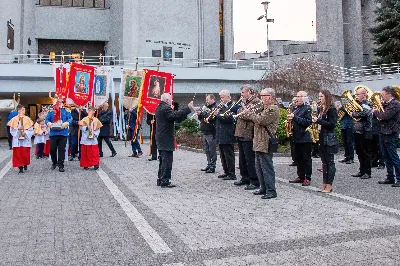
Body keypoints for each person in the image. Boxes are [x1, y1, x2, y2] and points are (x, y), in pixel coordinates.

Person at [237, 88, 280, 199]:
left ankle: (271, 190)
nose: (261, 98)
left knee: (267, 167)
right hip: (258, 141)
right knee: (259, 167)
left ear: (270, 97)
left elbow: (261, 120)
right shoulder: (264, 107)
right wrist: (249, 110)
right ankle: (263, 188)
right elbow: (252, 117)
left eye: (263, 96)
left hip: (265, 141)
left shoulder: (273, 109)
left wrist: (249, 113)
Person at [155, 93, 193, 188]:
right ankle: (165, 180)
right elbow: (174, 115)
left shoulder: (159, 107)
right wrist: (188, 108)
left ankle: (160, 179)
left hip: (161, 137)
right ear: (167, 100)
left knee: (162, 160)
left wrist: (184, 114)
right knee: (167, 160)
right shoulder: (166, 108)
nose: (171, 101)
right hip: (166, 138)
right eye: (170, 100)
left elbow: (174, 118)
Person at [234, 85, 262, 190]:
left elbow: (250, 115)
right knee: (242, 158)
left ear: (250, 92)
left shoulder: (257, 102)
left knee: (250, 159)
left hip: (249, 133)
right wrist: (242, 112)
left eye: (243, 93)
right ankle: (244, 177)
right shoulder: (245, 102)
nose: (241, 95)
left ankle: (254, 180)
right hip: (241, 132)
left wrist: (241, 112)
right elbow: (239, 112)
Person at [372, 86, 400, 187]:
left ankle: (399, 178)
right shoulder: (386, 104)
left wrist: (375, 112)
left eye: (383, 94)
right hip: (383, 132)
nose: (381, 96)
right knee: (386, 156)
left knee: (393, 157)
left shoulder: (395, 104)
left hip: (391, 132)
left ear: (389, 94)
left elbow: (385, 116)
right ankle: (390, 177)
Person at [313, 90, 339, 193]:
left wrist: (318, 120)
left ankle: (329, 184)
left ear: (327, 97)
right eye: (319, 96)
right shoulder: (321, 109)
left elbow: (332, 124)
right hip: (321, 136)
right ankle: (324, 183)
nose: (319, 98)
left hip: (329, 138)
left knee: (330, 162)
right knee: (324, 163)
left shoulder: (332, 109)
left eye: (321, 96)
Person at [288, 91, 313, 186]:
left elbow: (308, 122)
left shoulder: (307, 109)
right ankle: (301, 176)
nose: (297, 98)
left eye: (299, 96)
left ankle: (307, 177)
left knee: (306, 158)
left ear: (304, 98)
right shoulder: (296, 108)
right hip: (296, 136)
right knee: (298, 158)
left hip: (305, 137)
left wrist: (295, 117)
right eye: (296, 96)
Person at [349, 87, 373, 179]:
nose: (357, 96)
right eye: (356, 94)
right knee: (359, 152)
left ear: (364, 94)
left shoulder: (367, 103)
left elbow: (365, 114)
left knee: (366, 152)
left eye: (358, 94)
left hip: (365, 131)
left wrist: (353, 114)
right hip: (356, 130)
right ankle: (361, 170)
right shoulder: (357, 104)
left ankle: (367, 172)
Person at [215, 90, 237, 181]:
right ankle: (226, 171)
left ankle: (232, 174)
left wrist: (218, 115)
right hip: (220, 133)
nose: (221, 99)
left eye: (223, 97)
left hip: (228, 133)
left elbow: (229, 118)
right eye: (220, 97)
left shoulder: (233, 106)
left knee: (229, 155)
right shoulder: (221, 106)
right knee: (222, 155)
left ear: (228, 97)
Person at [46, 98, 72, 172]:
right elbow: (47, 119)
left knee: (61, 150)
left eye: (60, 102)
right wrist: (49, 124)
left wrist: (66, 123)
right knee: (52, 149)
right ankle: (54, 162)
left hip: (63, 133)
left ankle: (61, 165)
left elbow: (70, 118)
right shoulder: (51, 111)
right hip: (53, 133)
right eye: (58, 102)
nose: (59, 104)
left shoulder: (66, 110)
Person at [8, 104, 34, 173]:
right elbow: (12, 131)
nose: (24, 111)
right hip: (17, 140)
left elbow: (31, 129)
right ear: (19, 110)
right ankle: (20, 167)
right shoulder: (14, 119)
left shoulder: (27, 119)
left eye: (24, 109)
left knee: (25, 153)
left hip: (25, 139)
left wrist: (25, 133)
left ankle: (25, 164)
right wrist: (18, 130)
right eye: (23, 109)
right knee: (18, 154)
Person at [196, 94, 217, 173]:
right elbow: (202, 119)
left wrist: (202, 113)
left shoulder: (215, 107)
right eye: (206, 99)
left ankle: (213, 166)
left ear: (212, 99)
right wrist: (199, 114)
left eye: (207, 99)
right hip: (205, 131)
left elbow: (211, 118)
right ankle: (209, 164)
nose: (206, 101)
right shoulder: (206, 107)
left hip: (211, 132)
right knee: (207, 150)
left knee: (212, 150)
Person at [288, 97, 297, 166]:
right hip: (291, 129)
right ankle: (294, 160)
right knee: (292, 146)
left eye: (295, 101)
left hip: (296, 129)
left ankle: (297, 160)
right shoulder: (291, 108)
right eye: (293, 101)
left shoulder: (298, 109)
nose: (294, 102)